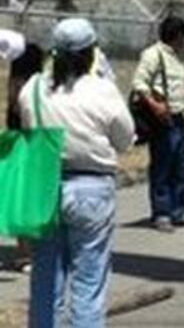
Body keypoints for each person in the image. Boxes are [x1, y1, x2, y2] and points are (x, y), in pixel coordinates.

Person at [18, 18, 134, 328]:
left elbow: (27, 126)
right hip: (91, 188)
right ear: (91, 53)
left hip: (46, 187)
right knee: (89, 280)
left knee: (46, 277)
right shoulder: (101, 90)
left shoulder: (33, 89)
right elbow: (125, 138)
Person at [131, 16, 184, 233]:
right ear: (177, 36)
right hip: (162, 119)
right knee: (162, 166)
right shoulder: (153, 55)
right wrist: (154, 105)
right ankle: (162, 213)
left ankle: (178, 211)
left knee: (180, 166)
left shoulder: (174, 57)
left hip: (177, 116)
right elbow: (139, 83)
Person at [5, 37, 46, 275]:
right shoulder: (36, 87)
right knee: (33, 200)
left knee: (19, 200)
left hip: (13, 141)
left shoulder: (14, 86)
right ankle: (31, 253)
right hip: (34, 143)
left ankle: (23, 253)